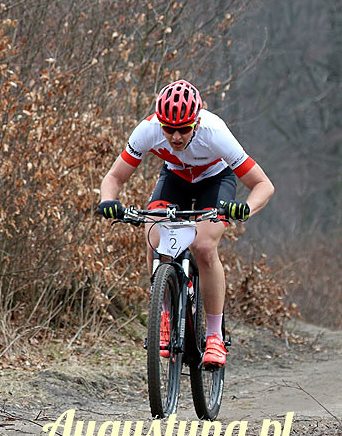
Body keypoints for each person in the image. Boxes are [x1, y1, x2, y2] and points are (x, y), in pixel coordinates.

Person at [96, 79, 274, 368]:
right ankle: (164, 314)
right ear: (160, 123)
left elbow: (263, 185)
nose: (176, 138)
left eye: (183, 129)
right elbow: (114, 178)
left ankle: (214, 335)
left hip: (215, 182)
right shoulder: (148, 130)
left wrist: (245, 209)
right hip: (175, 180)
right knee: (154, 236)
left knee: (204, 247)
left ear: (197, 121)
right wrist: (108, 201)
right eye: (169, 129)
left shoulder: (215, 132)